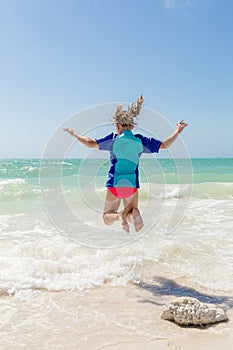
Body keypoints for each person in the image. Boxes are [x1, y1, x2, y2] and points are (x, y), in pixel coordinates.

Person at [63, 96, 188, 234]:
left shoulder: (113, 140)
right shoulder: (140, 141)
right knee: (131, 213)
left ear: (117, 126)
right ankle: (133, 214)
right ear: (132, 126)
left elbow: (90, 143)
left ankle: (119, 216)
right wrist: (177, 131)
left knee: (106, 217)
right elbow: (165, 144)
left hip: (115, 183)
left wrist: (75, 134)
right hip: (132, 185)